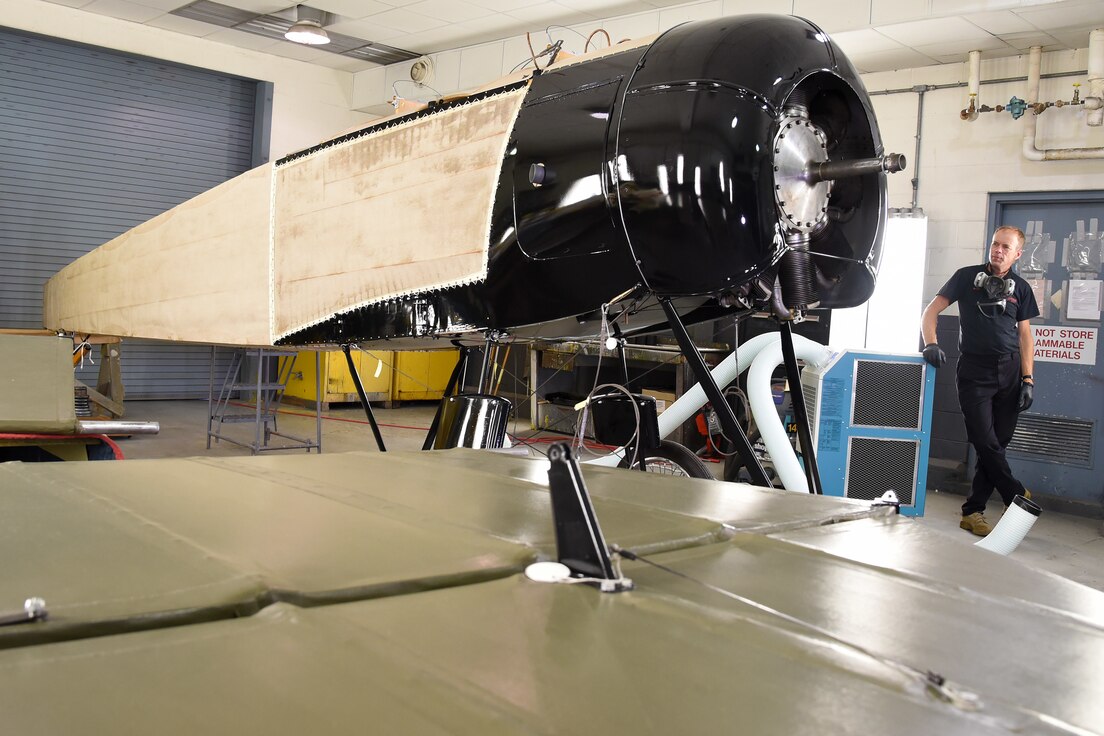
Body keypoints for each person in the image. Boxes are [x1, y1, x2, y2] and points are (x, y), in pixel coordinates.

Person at [920, 225, 1039, 536]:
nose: (998, 250)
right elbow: (931, 311)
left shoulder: (1022, 289)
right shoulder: (965, 277)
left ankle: (973, 512)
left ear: (1017, 254)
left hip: (1010, 372)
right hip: (974, 371)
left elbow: (1025, 336)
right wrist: (931, 342)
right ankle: (1015, 492)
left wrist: (1028, 378)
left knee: (997, 444)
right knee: (984, 441)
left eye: (1005, 247)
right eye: (995, 244)